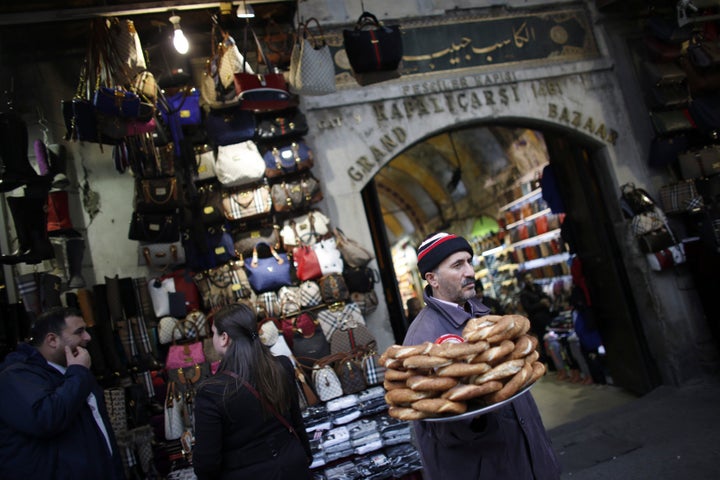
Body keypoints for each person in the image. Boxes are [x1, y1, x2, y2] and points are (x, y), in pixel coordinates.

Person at [403, 232, 561, 480]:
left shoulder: (484, 317)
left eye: (469, 261)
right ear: (432, 278)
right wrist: (477, 419)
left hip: (530, 462)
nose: (470, 272)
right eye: (457, 265)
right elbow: (435, 425)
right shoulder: (423, 339)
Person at [0, 306, 125, 480]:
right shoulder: (15, 377)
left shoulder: (73, 372)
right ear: (52, 340)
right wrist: (79, 373)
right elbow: (46, 418)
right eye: (79, 332)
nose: (88, 337)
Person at [192, 302, 312, 480]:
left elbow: (207, 464)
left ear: (224, 338)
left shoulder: (212, 392)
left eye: (214, 333)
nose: (213, 338)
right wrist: (305, 457)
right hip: (293, 466)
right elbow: (296, 422)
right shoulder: (282, 366)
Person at [519, 271, 556, 370]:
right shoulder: (524, 294)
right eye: (527, 279)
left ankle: (555, 363)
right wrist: (541, 303)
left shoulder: (538, 287)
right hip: (537, 321)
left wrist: (547, 301)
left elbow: (546, 297)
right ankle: (550, 364)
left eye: (530, 278)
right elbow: (528, 308)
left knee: (551, 340)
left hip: (546, 317)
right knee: (543, 343)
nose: (529, 280)